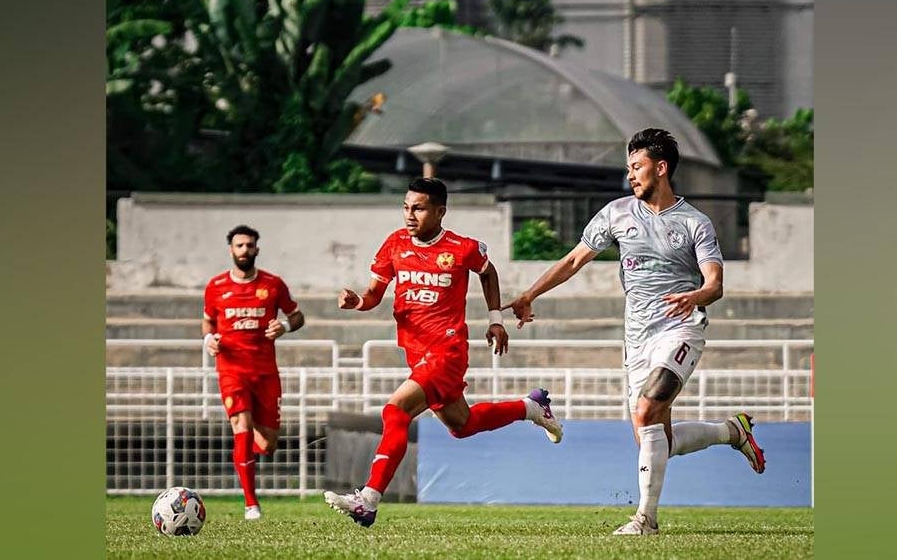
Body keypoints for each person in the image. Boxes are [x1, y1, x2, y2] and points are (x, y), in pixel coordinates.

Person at [504, 129, 766, 536]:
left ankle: (645, 519)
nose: (630, 174)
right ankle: (732, 432)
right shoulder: (617, 213)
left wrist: (695, 295)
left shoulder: (694, 222)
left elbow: (715, 285)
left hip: (681, 328)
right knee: (653, 440)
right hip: (637, 337)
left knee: (646, 411)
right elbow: (573, 260)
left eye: (637, 166)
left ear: (660, 168)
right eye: (628, 167)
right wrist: (529, 294)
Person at [323, 178, 563, 528]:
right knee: (462, 425)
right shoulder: (395, 244)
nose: (410, 215)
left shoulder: (461, 248)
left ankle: (369, 499)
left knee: (395, 410)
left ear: (440, 212)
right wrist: (356, 301)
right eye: (406, 207)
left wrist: (495, 320)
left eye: (418, 208)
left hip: (447, 351)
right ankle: (530, 407)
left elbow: (488, 272)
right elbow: (373, 295)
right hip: (416, 353)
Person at [202, 225, 305, 520]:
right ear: (231, 250)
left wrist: (284, 326)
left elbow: (297, 316)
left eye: (249, 245)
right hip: (231, 370)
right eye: (239, 245)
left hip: (265, 373)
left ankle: (247, 453)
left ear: (257, 249)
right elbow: (208, 322)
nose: (244, 250)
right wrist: (208, 339)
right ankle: (251, 504)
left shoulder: (273, 284)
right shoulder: (216, 286)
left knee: (268, 443)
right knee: (242, 426)